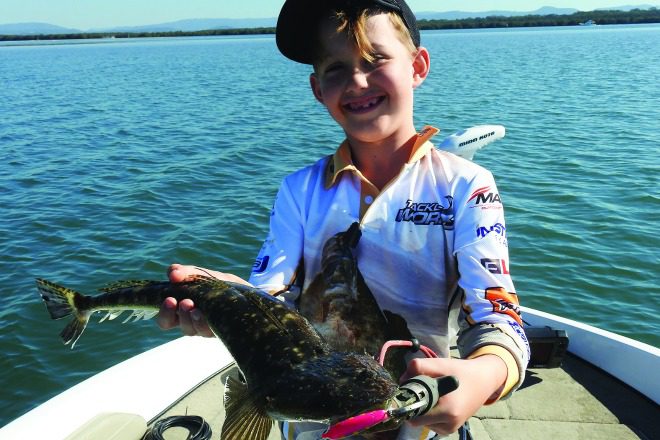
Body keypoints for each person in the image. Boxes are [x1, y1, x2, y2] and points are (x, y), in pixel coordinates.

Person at [158, 0, 530, 438]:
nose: (356, 81)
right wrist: (230, 301)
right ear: (318, 89)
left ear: (418, 66)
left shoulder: (467, 185)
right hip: (311, 422)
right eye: (336, 69)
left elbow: (497, 314)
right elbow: (273, 300)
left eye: (375, 60)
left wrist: (487, 373)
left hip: (420, 424)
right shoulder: (298, 190)